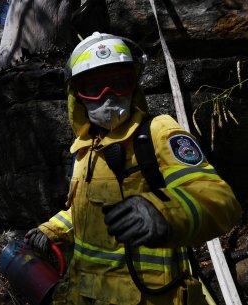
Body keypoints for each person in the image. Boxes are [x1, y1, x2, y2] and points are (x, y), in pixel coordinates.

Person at [25, 32, 242, 305]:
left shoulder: (158, 132)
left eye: (119, 83)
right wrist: (52, 229)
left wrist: (162, 212)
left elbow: (219, 200)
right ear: (77, 96)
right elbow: (86, 209)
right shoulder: (84, 150)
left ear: (134, 84)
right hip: (84, 294)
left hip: (150, 298)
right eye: (93, 87)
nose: (108, 96)